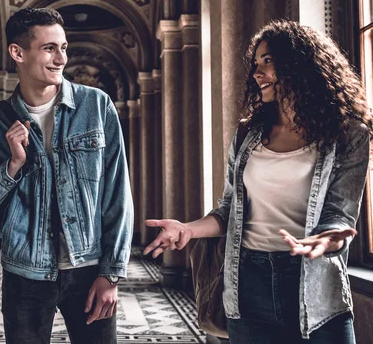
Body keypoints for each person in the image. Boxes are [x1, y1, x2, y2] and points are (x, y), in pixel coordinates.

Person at [143, 20, 372, 343]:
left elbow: (339, 213)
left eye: (268, 61)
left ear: (300, 65)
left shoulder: (348, 135)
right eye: (256, 64)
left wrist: (327, 239)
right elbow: (229, 209)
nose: (257, 73)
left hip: (315, 287)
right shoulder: (248, 133)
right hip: (248, 283)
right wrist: (188, 229)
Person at [0, 7, 133, 344]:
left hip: (88, 268)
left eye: (63, 47)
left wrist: (111, 274)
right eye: (49, 48)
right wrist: (11, 167)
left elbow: (117, 193)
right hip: (25, 273)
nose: (61, 58)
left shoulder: (96, 107)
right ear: (18, 53)